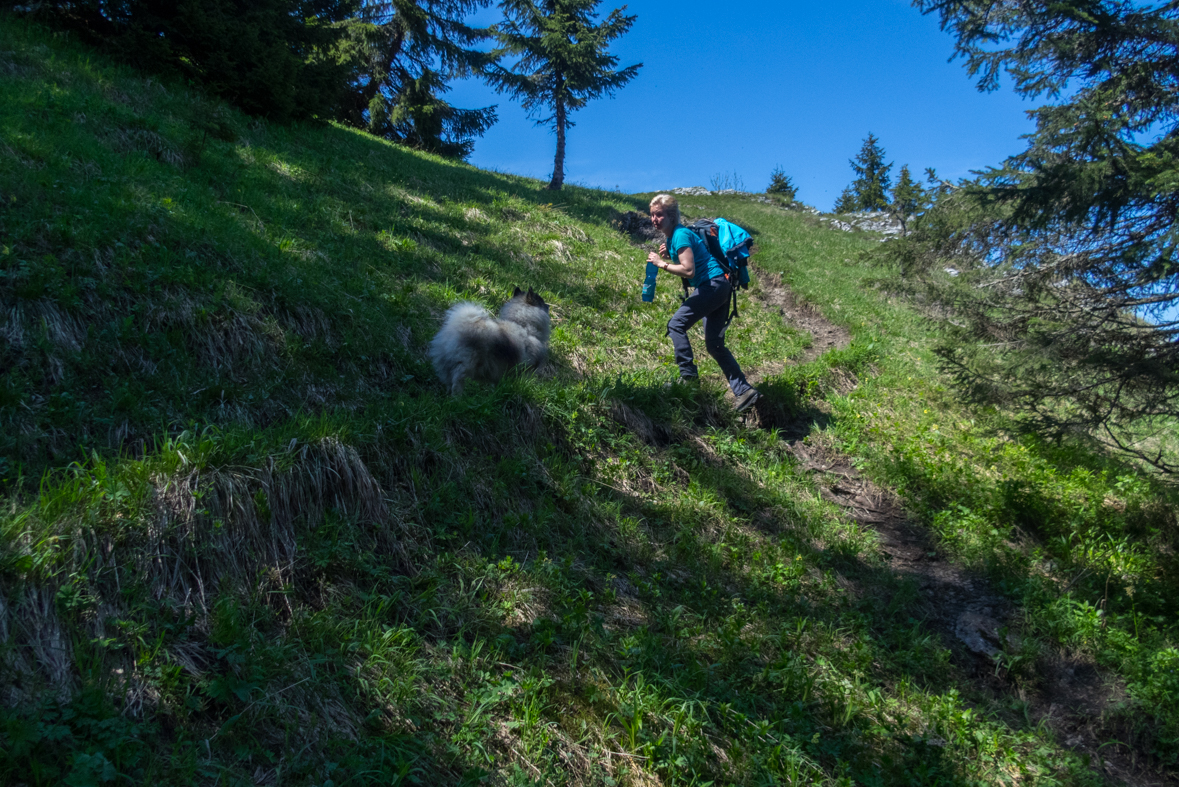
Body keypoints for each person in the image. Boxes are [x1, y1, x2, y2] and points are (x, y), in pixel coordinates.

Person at [646, 194, 760, 412]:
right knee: (714, 344)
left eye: (659, 215)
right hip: (720, 286)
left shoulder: (679, 235)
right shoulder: (675, 238)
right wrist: (669, 253)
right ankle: (744, 391)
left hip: (712, 285)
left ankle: (689, 379)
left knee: (675, 325)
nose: (654, 219)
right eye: (652, 215)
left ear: (671, 216)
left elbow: (688, 270)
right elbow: (690, 259)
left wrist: (661, 264)